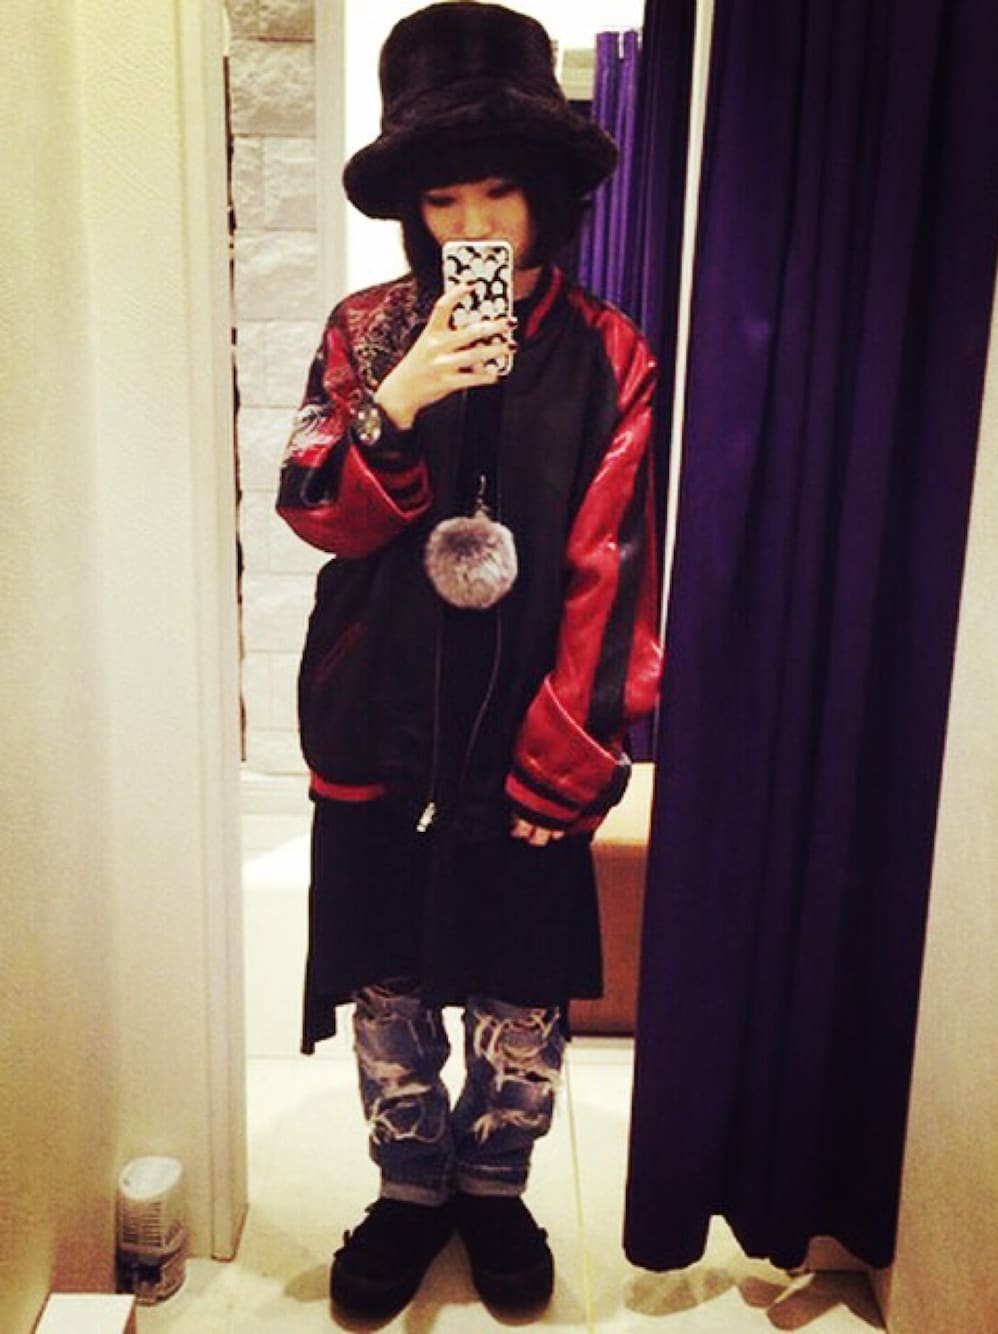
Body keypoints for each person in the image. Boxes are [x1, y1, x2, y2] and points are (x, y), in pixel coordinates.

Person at [276, 1, 662, 1318]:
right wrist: (400, 401)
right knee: (387, 982)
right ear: (413, 209)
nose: (473, 225)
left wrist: (568, 761)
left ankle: (494, 1188)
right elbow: (314, 508)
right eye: (444, 198)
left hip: (527, 733)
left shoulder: (610, 352)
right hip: (375, 722)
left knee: (519, 995)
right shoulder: (364, 330)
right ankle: (408, 1188)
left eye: (499, 191)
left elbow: (615, 564)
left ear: (547, 193)